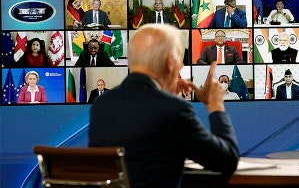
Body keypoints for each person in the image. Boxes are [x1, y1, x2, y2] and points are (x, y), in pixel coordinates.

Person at [89, 24, 240, 187]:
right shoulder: (174, 109)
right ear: (170, 62)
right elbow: (227, 160)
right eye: (179, 61)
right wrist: (215, 105)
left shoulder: (101, 105)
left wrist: (164, 91)